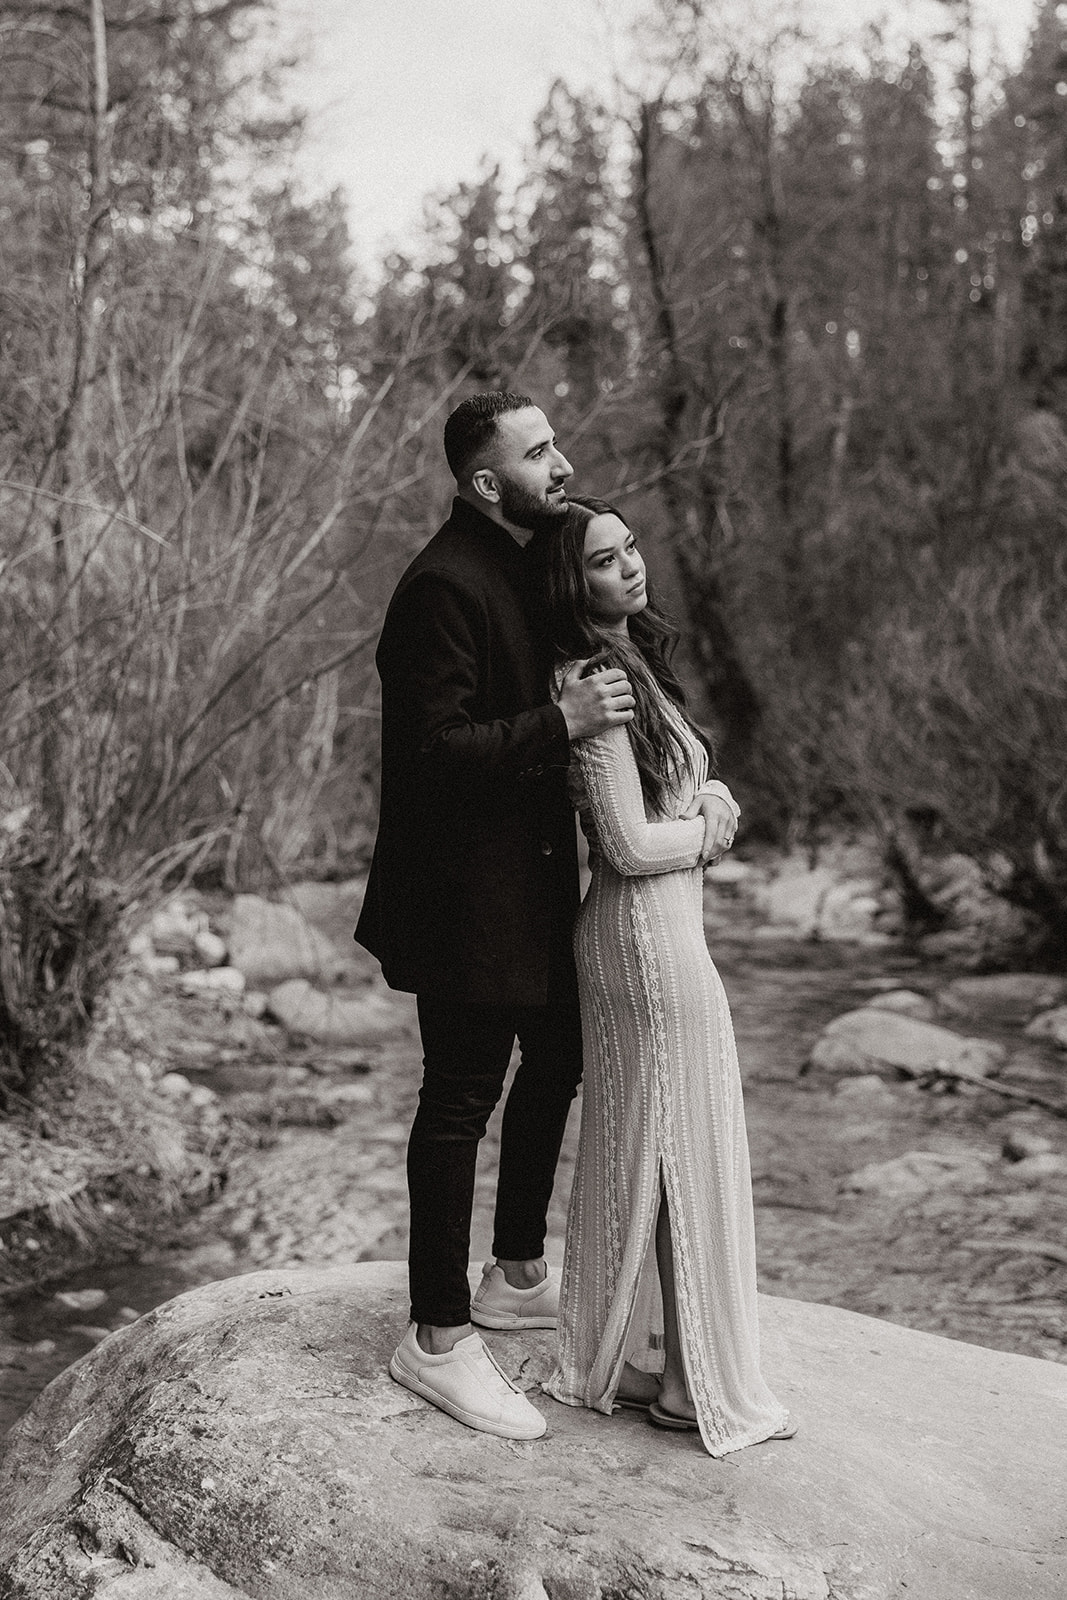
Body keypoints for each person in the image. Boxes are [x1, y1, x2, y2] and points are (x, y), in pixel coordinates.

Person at [355, 395, 740, 1442]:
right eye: (536, 454)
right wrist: (559, 720)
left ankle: (516, 1267)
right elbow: (428, 756)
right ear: (485, 482)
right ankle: (434, 1336)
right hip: (458, 899)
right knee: (457, 1101)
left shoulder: (520, 565)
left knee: (562, 1053)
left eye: (554, 443)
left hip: (527, 895)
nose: (560, 462)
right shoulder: (441, 585)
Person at [540, 496, 795, 1456]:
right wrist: (708, 830)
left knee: (668, 1141)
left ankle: (660, 1361)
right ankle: (687, 1380)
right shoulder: (590, 678)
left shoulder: (634, 663)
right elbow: (628, 844)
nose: (631, 566)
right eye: (606, 560)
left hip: (658, 930)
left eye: (632, 546)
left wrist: (711, 797)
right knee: (677, 1143)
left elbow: (674, 793)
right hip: (643, 941)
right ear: (576, 584)